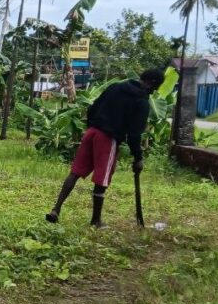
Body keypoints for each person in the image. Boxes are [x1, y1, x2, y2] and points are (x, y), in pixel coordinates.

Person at [46, 68, 166, 228]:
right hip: (107, 138)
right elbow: (134, 134)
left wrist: (92, 127)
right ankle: (96, 221)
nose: (154, 91)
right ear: (151, 83)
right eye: (155, 88)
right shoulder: (141, 101)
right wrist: (138, 158)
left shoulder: (116, 87)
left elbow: (93, 107)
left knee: (75, 172)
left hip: (91, 132)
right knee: (101, 180)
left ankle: (56, 209)